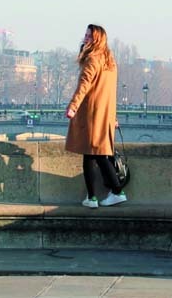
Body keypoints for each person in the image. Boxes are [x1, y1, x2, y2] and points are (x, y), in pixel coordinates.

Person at [65, 24, 125, 209]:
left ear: (97, 39)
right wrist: (113, 116)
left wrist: (73, 106)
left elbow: (84, 84)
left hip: (92, 113)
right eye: (85, 35)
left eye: (89, 36)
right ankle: (99, 195)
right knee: (95, 154)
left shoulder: (93, 59)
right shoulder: (110, 61)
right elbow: (110, 93)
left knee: (95, 155)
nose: (85, 38)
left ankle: (110, 192)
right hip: (104, 113)